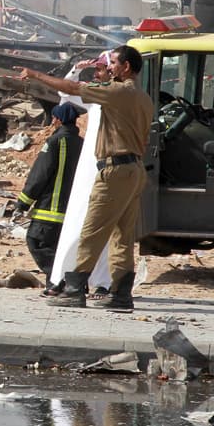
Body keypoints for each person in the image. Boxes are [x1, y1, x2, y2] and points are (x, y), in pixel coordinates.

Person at [18, 44, 153, 310]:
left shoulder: (116, 92)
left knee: (91, 231)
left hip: (114, 171)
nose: (109, 67)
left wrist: (34, 74)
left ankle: (74, 288)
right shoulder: (143, 97)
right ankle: (121, 295)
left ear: (126, 67)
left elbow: (71, 90)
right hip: (134, 170)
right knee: (122, 237)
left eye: (112, 63)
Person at [50, 52, 114, 298]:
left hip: (110, 166)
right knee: (77, 221)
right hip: (89, 167)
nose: (96, 74)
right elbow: (66, 95)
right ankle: (64, 277)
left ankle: (103, 282)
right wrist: (76, 71)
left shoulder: (120, 95)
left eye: (101, 69)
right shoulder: (97, 95)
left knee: (106, 228)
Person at [15, 102, 83, 293]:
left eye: (54, 118)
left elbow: (40, 175)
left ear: (59, 120)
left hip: (51, 208)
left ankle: (62, 281)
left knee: (36, 242)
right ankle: (62, 285)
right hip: (73, 210)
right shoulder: (82, 143)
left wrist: (23, 202)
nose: (52, 121)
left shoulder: (55, 142)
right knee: (60, 248)